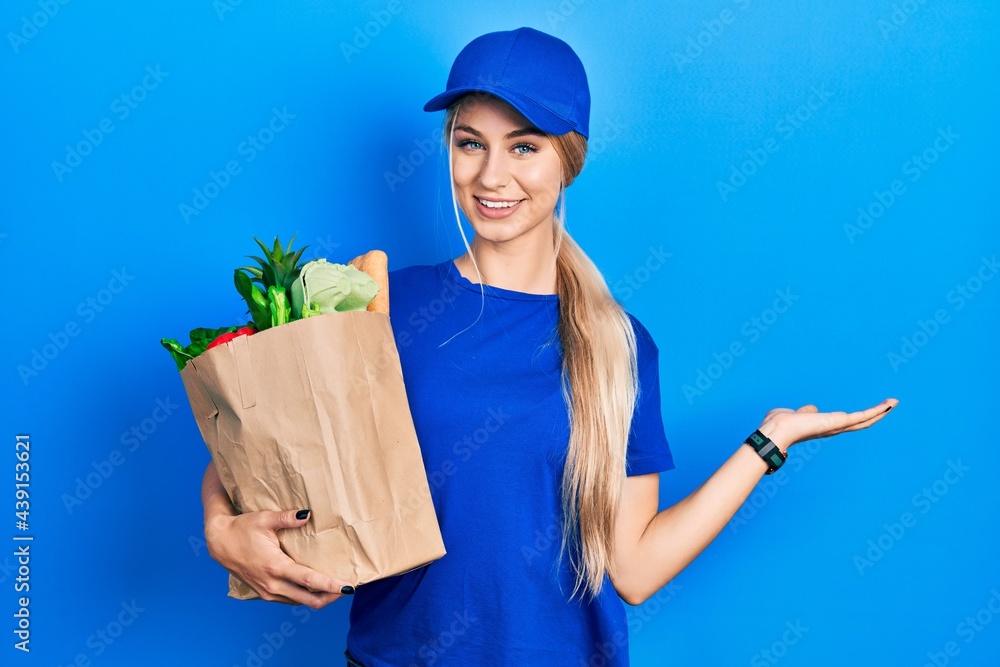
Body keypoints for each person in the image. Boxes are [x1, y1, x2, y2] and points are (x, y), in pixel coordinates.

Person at [201, 27, 898, 666]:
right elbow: (260, 450)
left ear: (568, 161)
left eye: (524, 146)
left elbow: (634, 567)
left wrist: (769, 441)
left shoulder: (618, 345)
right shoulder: (382, 302)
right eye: (470, 142)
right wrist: (221, 530)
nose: (491, 176)